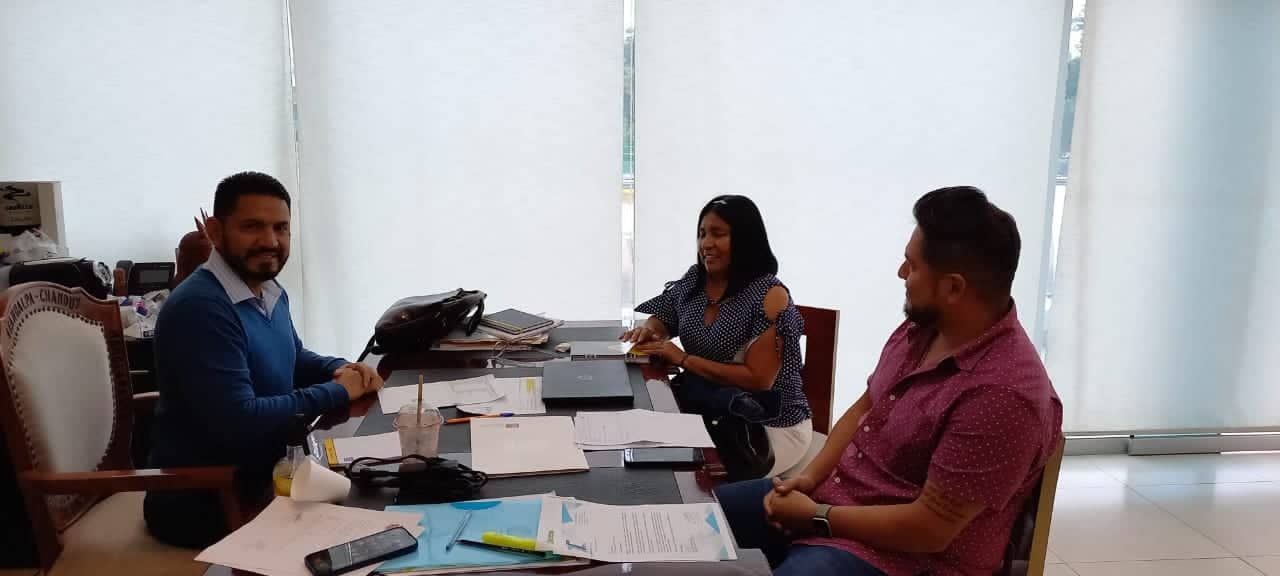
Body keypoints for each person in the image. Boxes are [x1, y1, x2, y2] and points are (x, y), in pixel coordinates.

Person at [714, 186, 1063, 576]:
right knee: (692, 516)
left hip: (906, 559)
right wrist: (810, 479)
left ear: (953, 287)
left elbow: (930, 530)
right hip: (834, 508)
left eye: (911, 266)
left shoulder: (1003, 394)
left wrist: (817, 516)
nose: (901, 273)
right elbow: (866, 405)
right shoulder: (924, 328)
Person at [144, 172, 383, 548]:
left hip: (268, 474)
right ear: (215, 231)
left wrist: (338, 369)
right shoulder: (201, 308)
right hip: (210, 497)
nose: (270, 241)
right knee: (368, 530)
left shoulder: (267, 288)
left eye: (280, 228)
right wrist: (338, 391)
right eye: (252, 226)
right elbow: (242, 418)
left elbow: (293, 356)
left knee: (387, 494)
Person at [624, 195, 813, 477]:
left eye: (718, 234)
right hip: (713, 410)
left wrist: (684, 359)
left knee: (688, 475)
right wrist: (651, 331)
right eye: (702, 234)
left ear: (745, 238)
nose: (706, 244)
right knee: (649, 451)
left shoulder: (769, 295)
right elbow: (665, 315)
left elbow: (758, 379)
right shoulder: (696, 279)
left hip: (767, 426)